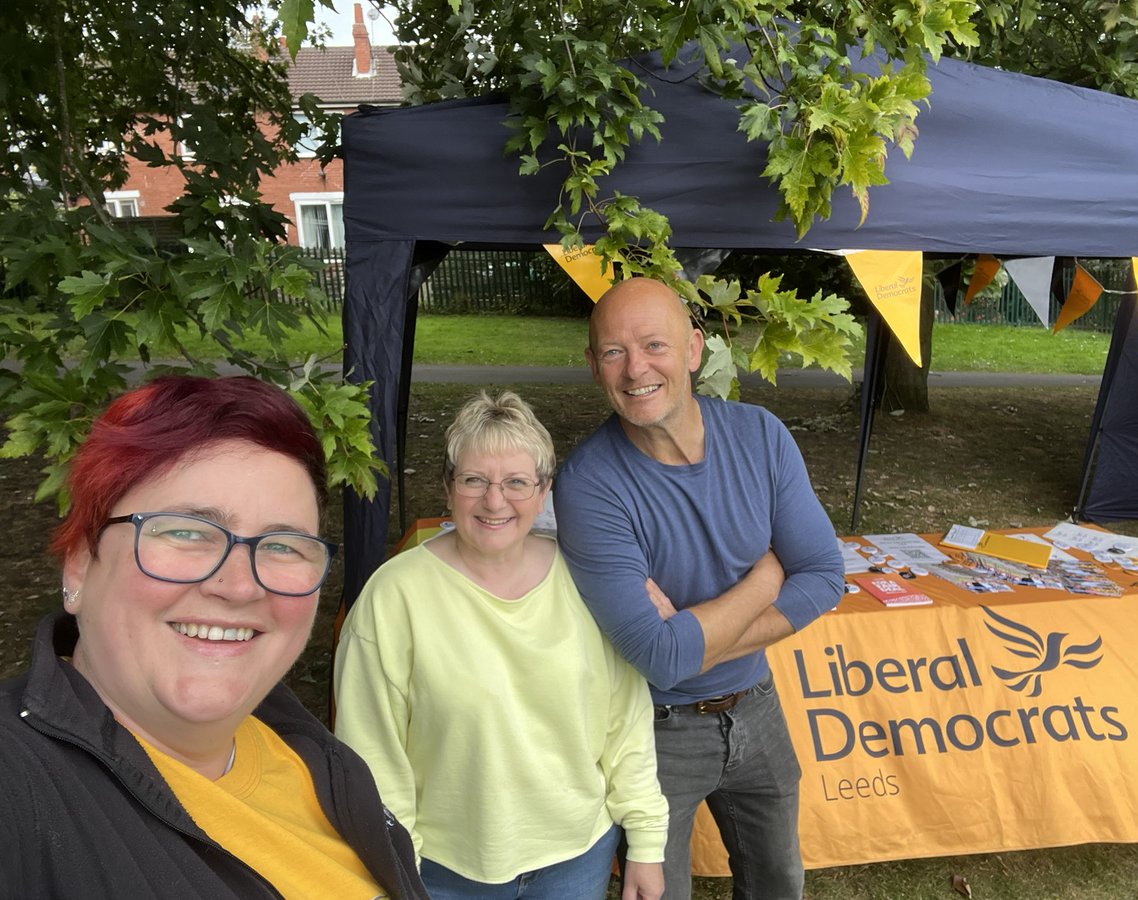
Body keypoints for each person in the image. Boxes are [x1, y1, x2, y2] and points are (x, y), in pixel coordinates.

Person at [0, 375, 428, 900]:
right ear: (80, 567)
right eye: (185, 531)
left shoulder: (313, 755)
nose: (241, 585)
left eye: (283, 545)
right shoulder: (18, 785)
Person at [554, 277, 845, 899]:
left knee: (779, 882)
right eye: (613, 352)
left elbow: (823, 577)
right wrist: (768, 577)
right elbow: (657, 658)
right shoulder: (588, 484)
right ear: (593, 366)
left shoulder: (760, 436)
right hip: (652, 732)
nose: (636, 369)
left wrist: (695, 637)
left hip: (758, 707)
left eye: (654, 344)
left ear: (693, 349)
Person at [334, 390, 668, 900]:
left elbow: (626, 720)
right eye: (474, 481)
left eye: (516, 482)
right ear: (448, 488)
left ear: (544, 491)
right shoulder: (394, 596)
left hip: (577, 855)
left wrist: (645, 839)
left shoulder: (586, 577)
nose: (495, 501)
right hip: (445, 869)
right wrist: (395, 866)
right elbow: (371, 752)